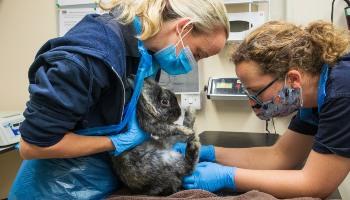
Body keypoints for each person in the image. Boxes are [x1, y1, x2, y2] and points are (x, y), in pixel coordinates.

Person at [9, 0, 229, 199]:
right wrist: (116, 142)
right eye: (198, 54)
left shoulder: (147, 54)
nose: (193, 63)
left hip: (105, 180)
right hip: (54, 189)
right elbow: (32, 147)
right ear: (183, 28)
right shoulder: (88, 58)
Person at [174, 20, 350, 199]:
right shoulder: (313, 99)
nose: (252, 102)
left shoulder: (342, 92)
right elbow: (280, 156)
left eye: (256, 91)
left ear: (293, 80)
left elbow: (315, 184)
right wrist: (209, 153)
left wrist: (228, 176)